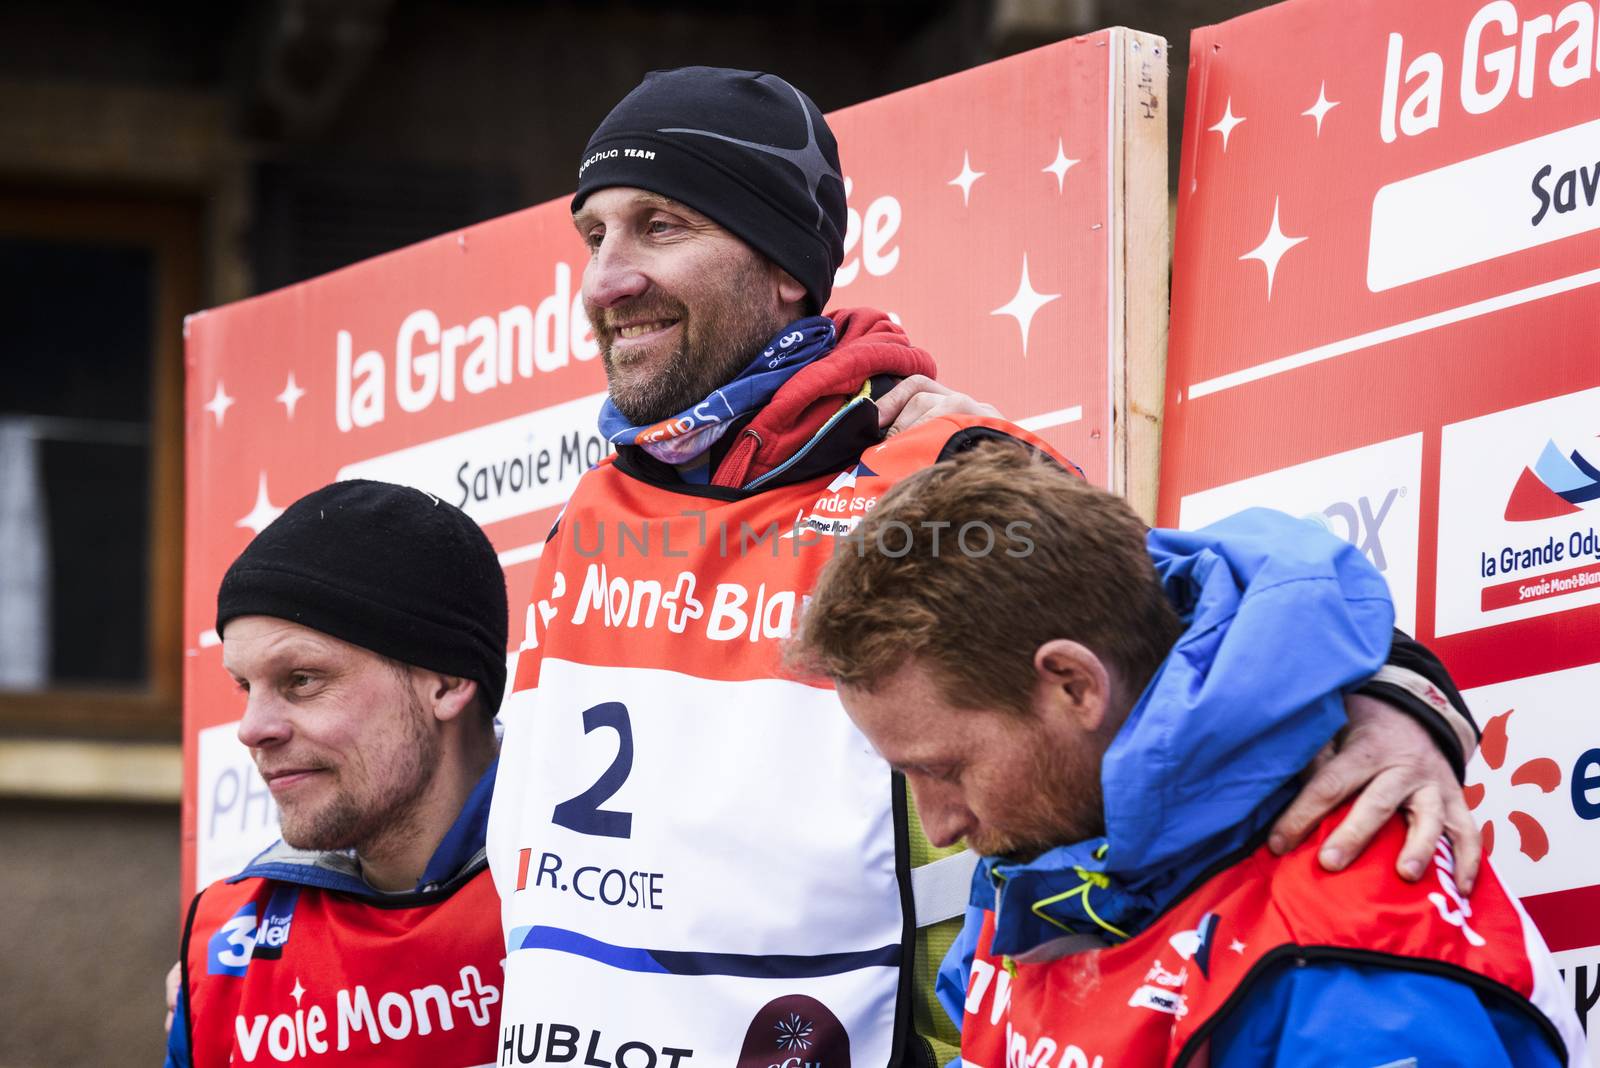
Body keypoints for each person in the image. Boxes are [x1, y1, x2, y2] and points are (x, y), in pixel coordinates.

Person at [487, 66, 1482, 1066]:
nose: (606, 278)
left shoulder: (932, 464)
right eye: (595, 233)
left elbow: (1162, 648)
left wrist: (1390, 696)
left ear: (786, 265)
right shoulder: (595, 506)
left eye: (662, 225)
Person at [792, 442, 1587, 1066]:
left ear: (1073, 685)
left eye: (945, 769)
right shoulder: (1044, 848)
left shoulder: (1344, 937)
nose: (941, 824)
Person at [166, 480, 509, 1067]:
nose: (252, 728)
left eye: (303, 679)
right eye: (246, 687)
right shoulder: (224, 947)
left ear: (448, 681)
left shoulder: (605, 905)